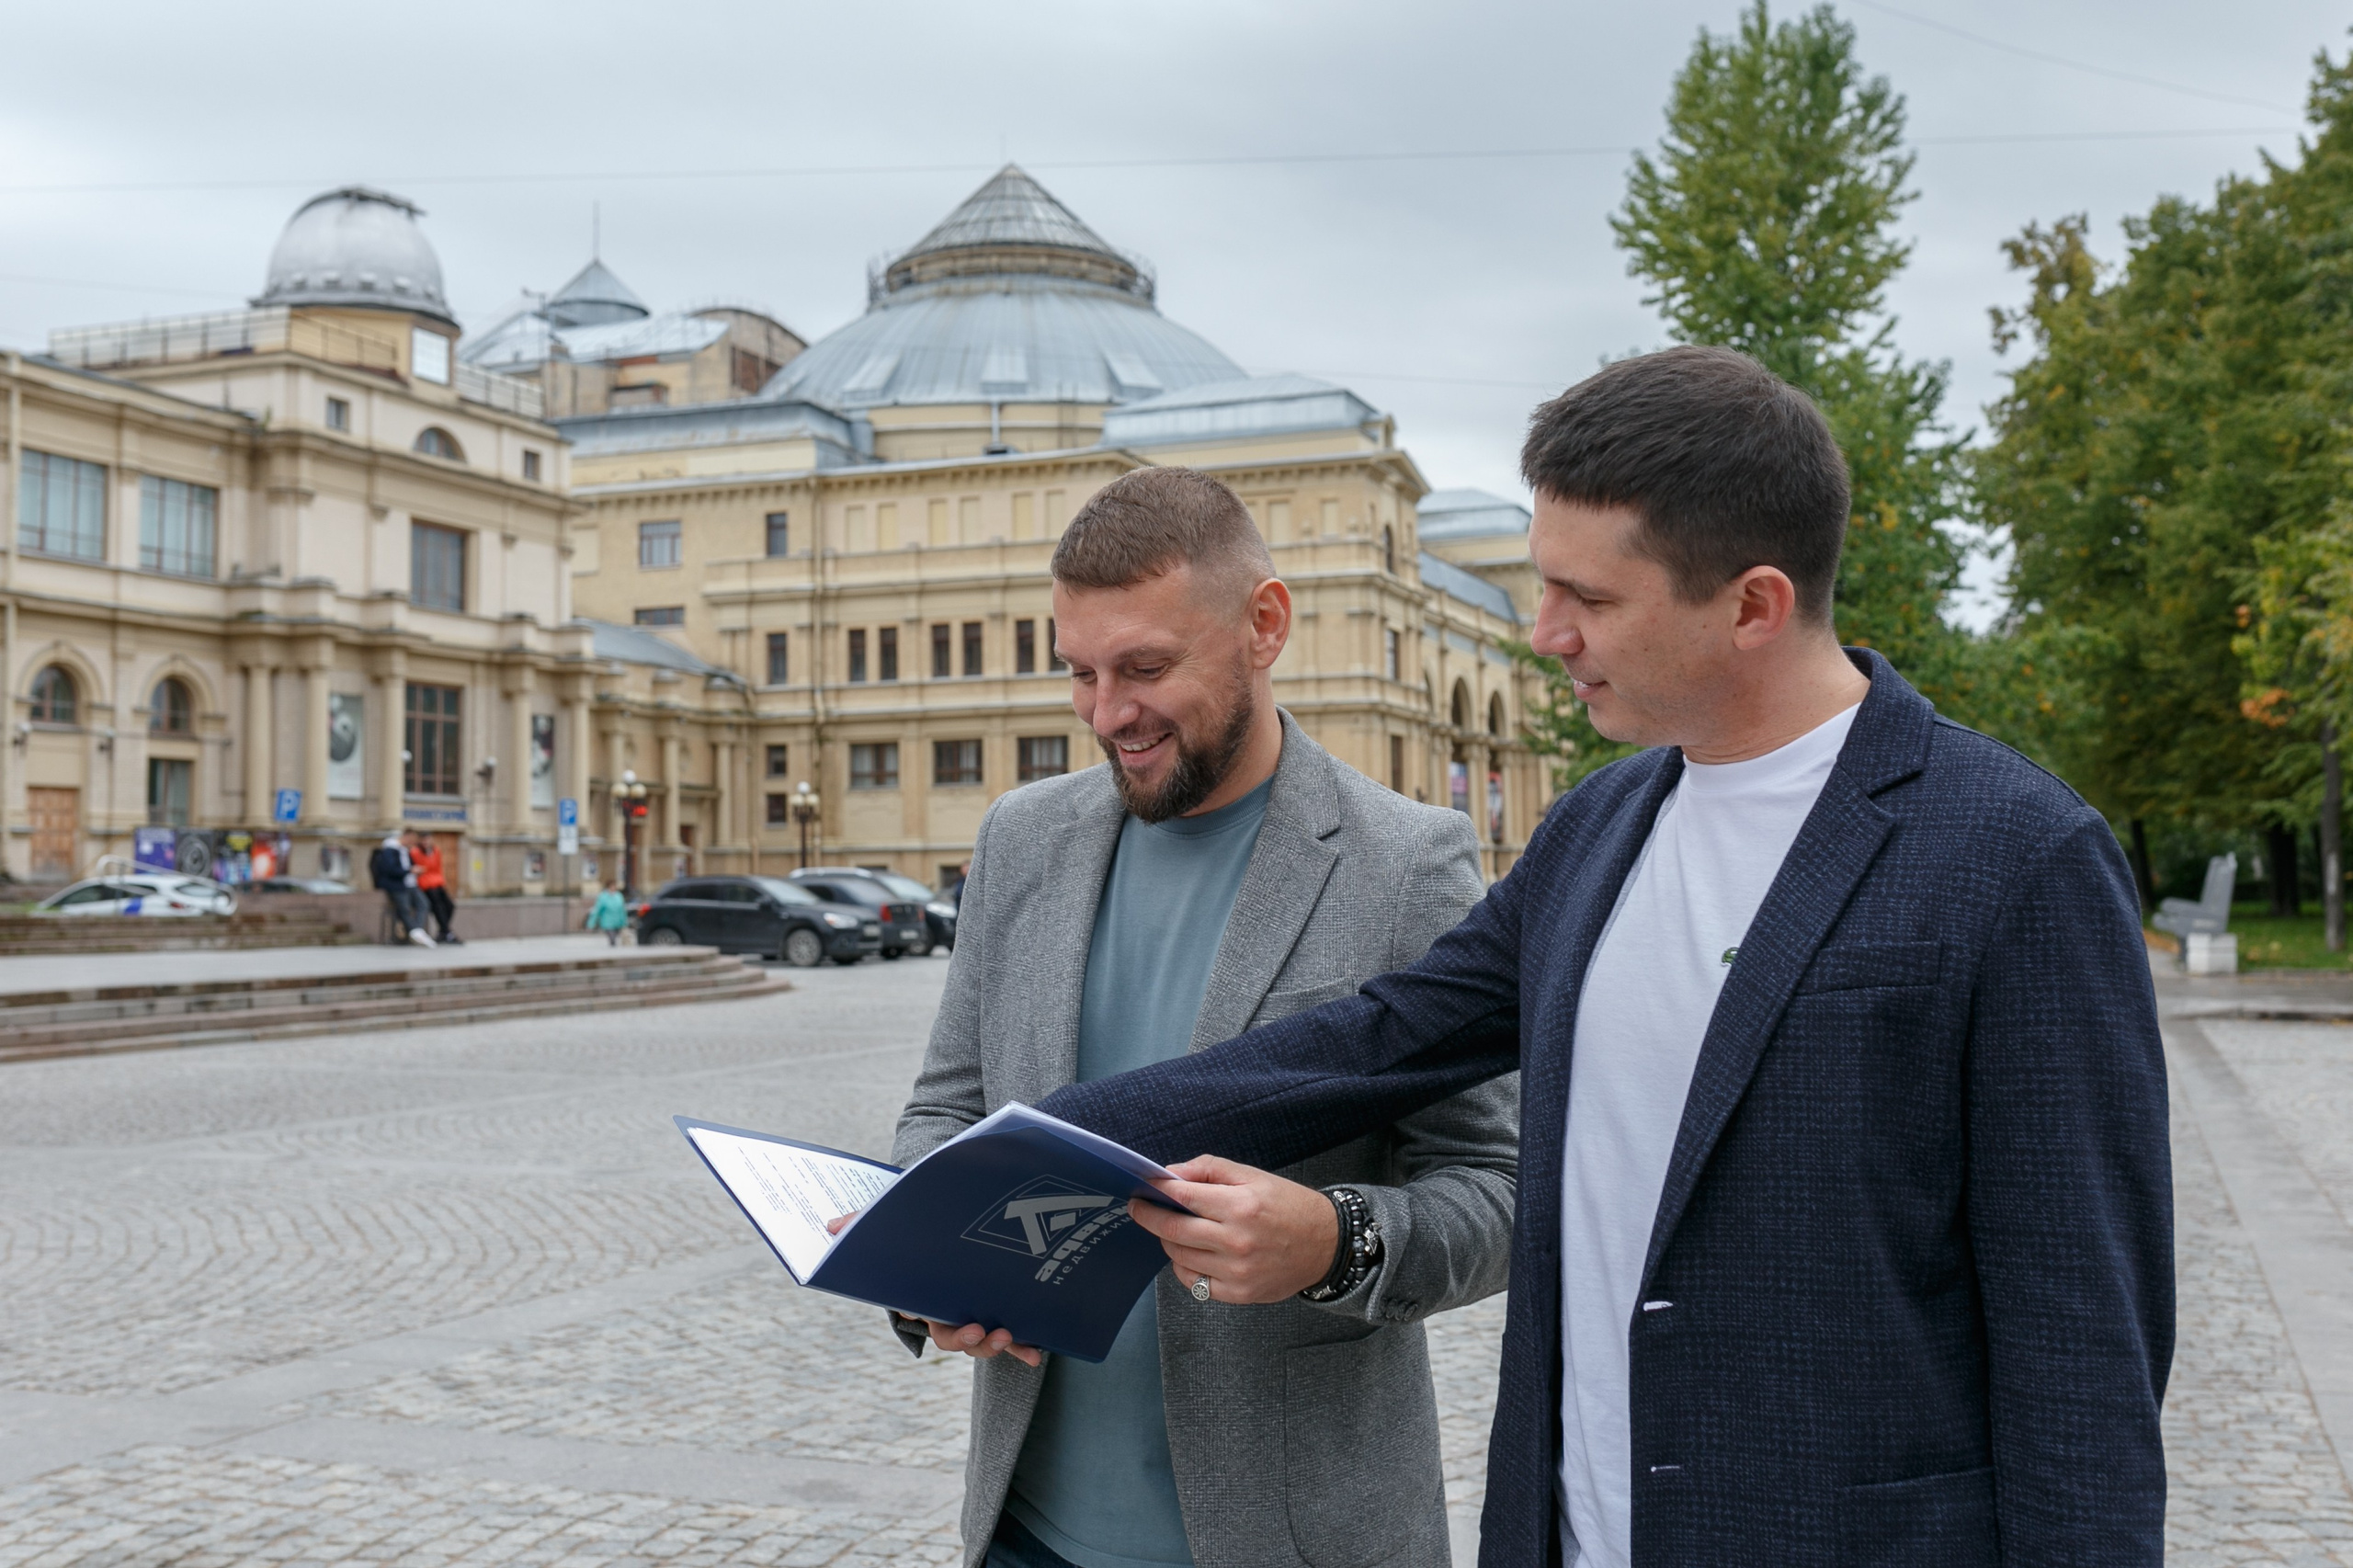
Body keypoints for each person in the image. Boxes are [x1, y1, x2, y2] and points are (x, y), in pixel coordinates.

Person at [1039, 348, 2174, 1566]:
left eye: (1591, 599)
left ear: (1753, 605)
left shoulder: (2016, 856)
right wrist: (1037, 1142)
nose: (1545, 634)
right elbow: (1374, 1044)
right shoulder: (1597, 826)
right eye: (1542, 585)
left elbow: (2083, 1352)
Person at [892, 466, 1518, 1568]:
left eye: (1144, 667)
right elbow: (948, 1101)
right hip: (1025, 1529)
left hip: (1294, 1537)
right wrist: (925, 1264)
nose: (1105, 712)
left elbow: (1500, 1187)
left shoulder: (1406, 861)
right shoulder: (1019, 837)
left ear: (1263, 626)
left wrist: (1333, 1239)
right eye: (1079, 672)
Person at [368, 830, 434, 948]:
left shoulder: (405, 850)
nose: (413, 842)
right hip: (396, 885)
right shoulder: (390, 850)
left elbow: (411, 865)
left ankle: (417, 931)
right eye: (412, 839)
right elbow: (390, 870)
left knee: (424, 903)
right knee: (404, 909)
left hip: (410, 884)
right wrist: (410, 870)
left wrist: (415, 870)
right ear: (405, 837)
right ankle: (416, 932)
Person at [412, 833, 460, 945]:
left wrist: (442, 881)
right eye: (423, 840)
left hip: (437, 882)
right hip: (425, 884)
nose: (426, 843)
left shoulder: (435, 851)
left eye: (428, 840)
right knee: (437, 907)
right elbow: (421, 868)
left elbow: (438, 867)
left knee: (450, 905)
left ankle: (443, 931)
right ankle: (447, 933)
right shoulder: (416, 852)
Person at [585, 882, 630, 946]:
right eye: (612, 887)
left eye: (614, 887)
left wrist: (624, 922)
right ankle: (612, 948)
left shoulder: (618, 896)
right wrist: (591, 924)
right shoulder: (603, 897)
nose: (613, 888)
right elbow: (597, 910)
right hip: (607, 922)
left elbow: (622, 910)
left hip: (617, 922)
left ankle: (613, 949)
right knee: (612, 937)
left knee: (615, 937)